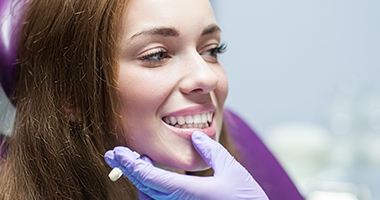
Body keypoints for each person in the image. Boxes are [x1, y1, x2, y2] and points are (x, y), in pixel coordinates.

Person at [0, 0, 268, 199]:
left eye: (211, 50)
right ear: (71, 97)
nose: (207, 78)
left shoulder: (245, 145)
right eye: (157, 55)